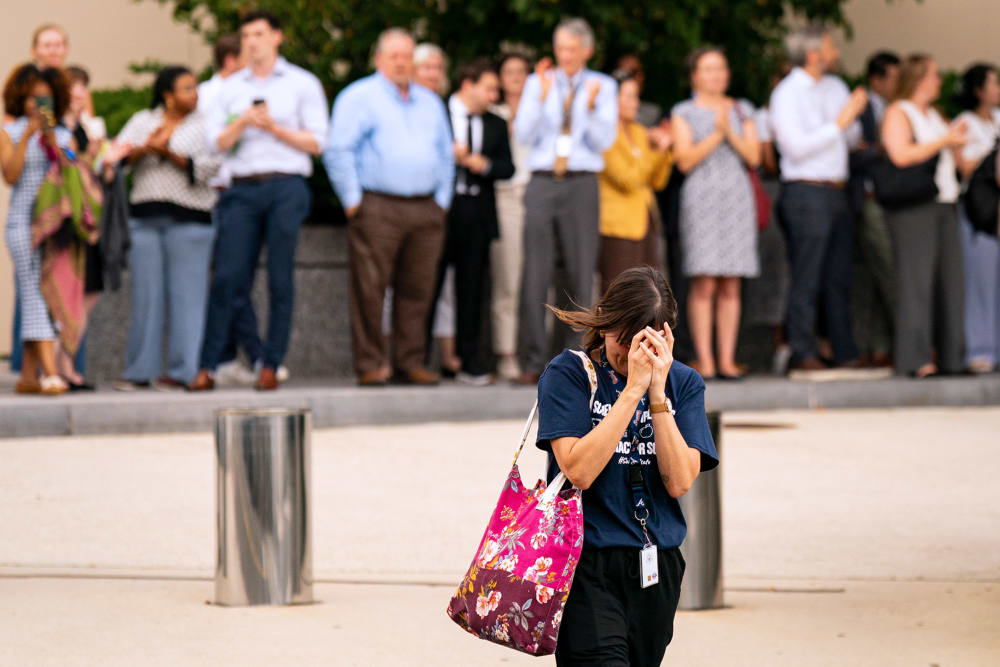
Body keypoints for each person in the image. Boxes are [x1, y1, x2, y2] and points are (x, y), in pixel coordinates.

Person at [535, 266, 718, 666]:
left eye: (646, 342)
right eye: (624, 338)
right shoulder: (569, 374)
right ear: (604, 319)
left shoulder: (684, 384)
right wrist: (632, 389)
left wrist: (656, 394)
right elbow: (579, 471)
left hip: (657, 565)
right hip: (586, 564)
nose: (631, 354)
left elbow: (679, 481)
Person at [189, 10, 329, 391]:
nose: (251, 42)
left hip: (286, 185)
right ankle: (209, 365)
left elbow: (318, 141)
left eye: (259, 34)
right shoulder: (229, 88)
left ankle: (271, 362)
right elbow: (213, 143)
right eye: (246, 35)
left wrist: (275, 128)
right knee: (229, 276)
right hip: (241, 189)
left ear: (276, 37)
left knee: (280, 277)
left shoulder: (302, 83)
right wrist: (243, 122)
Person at [323, 28, 455, 386]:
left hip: (426, 207)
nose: (401, 63)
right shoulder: (358, 96)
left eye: (407, 56)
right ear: (379, 58)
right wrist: (353, 201)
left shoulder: (430, 101)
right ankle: (370, 364)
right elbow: (338, 150)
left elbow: (445, 154)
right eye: (394, 56)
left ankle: (409, 362)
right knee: (370, 288)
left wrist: (441, 201)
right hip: (377, 204)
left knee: (419, 289)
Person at [514, 17, 618, 385]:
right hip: (543, 180)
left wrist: (586, 108)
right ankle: (531, 358)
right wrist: (542, 98)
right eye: (560, 49)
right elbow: (523, 133)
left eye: (572, 49)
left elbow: (604, 140)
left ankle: (575, 358)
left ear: (587, 51)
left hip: (581, 182)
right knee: (535, 272)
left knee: (579, 270)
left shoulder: (602, 86)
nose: (566, 56)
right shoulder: (538, 83)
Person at [109, 66, 221, 391]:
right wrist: (145, 149)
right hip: (144, 219)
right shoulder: (143, 121)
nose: (195, 94)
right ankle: (139, 370)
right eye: (186, 88)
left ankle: (182, 371)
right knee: (146, 297)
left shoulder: (206, 124)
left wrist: (169, 153)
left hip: (190, 221)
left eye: (195, 87)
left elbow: (212, 167)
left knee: (188, 298)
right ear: (167, 95)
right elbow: (114, 158)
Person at [770, 24, 868, 372]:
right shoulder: (786, 93)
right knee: (807, 273)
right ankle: (803, 351)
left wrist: (849, 121)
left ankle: (844, 351)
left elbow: (852, 138)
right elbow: (794, 148)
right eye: (830, 47)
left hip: (838, 189)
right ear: (812, 55)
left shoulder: (836, 86)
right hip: (805, 189)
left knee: (839, 275)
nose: (836, 53)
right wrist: (839, 123)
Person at [672, 47, 761, 380]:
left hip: (736, 198)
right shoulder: (683, 111)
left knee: (731, 282)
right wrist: (718, 133)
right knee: (704, 280)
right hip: (702, 197)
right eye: (708, 69)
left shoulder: (741, 108)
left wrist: (730, 131)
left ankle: (727, 359)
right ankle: (705, 359)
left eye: (720, 68)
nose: (716, 75)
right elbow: (684, 160)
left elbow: (754, 156)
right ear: (694, 75)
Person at [880, 54, 968, 378]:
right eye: (933, 74)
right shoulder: (898, 112)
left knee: (951, 281)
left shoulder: (935, 114)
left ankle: (952, 357)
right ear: (918, 78)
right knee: (916, 282)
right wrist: (944, 140)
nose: (939, 80)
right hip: (914, 206)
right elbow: (900, 154)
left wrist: (955, 142)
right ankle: (915, 358)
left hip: (946, 202)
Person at [436, 59, 514, 385]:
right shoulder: (436, 111)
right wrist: (448, 155)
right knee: (427, 284)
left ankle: (470, 362)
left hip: (477, 212)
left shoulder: (496, 122)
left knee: (472, 289)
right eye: (489, 88)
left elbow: (508, 167)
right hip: (441, 209)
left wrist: (483, 164)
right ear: (468, 84)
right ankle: (417, 360)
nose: (495, 96)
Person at [1, 64, 74, 395]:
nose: (38, 105)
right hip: (21, 223)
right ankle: (50, 372)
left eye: (45, 99)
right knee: (32, 290)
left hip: (54, 225)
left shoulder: (63, 135)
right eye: (32, 98)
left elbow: (72, 167)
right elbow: (10, 175)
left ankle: (29, 376)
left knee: (45, 293)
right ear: (20, 98)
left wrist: (50, 139)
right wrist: (29, 135)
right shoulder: (9, 132)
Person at [198, 33, 265, 387]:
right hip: (213, 196)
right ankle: (253, 355)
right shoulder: (209, 95)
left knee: (233, 278)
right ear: (230, 61)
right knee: (229, 278)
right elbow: (211, 146)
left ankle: (227, 358)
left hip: (238, 195)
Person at [848, 51, 901, 369]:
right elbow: (850, 153)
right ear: (876, 80)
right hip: (869, 199)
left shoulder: (899, 108)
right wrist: (883, 148)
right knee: (887, 271)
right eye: (893, 78)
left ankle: (882, 347)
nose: (898, 84)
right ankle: (906, 342)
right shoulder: (861, 107)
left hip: (895, 200)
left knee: (881, 274)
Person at [598, 71, 672, 295]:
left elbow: (658, 182)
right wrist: (654, 152)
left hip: (645, 220)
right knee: (619, 293)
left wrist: (664, 151)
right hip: (617, 225)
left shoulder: (639, 132)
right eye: (629, 97)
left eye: (636, 97)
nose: (635, 103)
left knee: (648, 293)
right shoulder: (604, 134)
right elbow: (628, 180)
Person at [955, 63, 1000, 374]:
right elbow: (964, 167)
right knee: (979, 281)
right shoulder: (964, 123)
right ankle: (979, 349)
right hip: (978, 211)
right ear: (979, 90)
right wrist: (991, 158)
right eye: (993, 83)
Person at [489, 53, 532, 381]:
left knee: (539, 281)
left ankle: (537, 353)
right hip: (506, 197)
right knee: (508, 280)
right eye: (509, 71)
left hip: (539, 195)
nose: (516, 77)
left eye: (522, 71)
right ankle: (506, 353)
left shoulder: (541, 110)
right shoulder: (493, 114)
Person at [615, 54, 662, 128]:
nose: (636, 103)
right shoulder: (603, 129)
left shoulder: (653, 112)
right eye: (629, 97)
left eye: (634, 72)